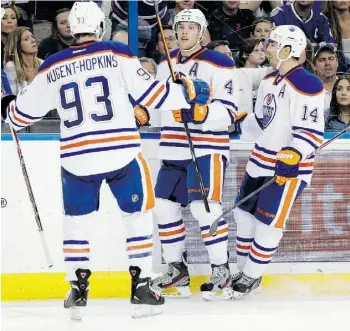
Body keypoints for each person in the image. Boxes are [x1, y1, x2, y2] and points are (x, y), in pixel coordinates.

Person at [1, 1, 212, 319]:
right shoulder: (116, 52)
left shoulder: (53, 64)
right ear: (99, 27)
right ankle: (140, 290)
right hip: (121, 153)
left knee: (76, 223)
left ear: (72, 27)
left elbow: (21, 115)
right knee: (138, 217)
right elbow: (152, 95)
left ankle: (77, 287)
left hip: (77, 159)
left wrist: (7, 105)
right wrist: (188, 93)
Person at [151, 9, 245, 301]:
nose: (184, 32)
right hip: (173, 145)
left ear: (202, 31)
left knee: (204, 208)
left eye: (191, 27)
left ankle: (221, 269)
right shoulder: (165, 64)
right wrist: (147, 110)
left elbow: (230, 111)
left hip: (206, 147)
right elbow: (158, 106)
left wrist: (200, 112)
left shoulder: (219, 62)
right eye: (180, 27)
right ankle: (177, 269)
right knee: (163, 207)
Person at [230, 25, 324, 298]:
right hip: (259, 161)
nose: (266, 49)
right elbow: (262, 122)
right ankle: (242, 268)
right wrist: (235, 124)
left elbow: (310, 131)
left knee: (268, 222)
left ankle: (252, 275)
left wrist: (296, 153)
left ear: (287, 50)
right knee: (243, 215)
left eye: (271, 44)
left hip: (288, 168)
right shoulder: (271, 80)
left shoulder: (307, 83)